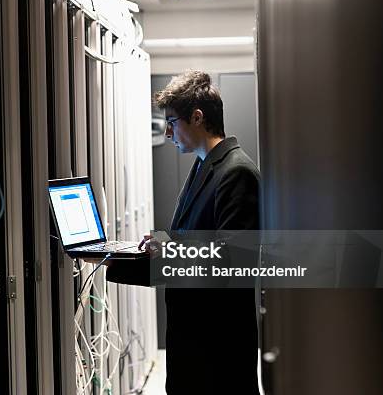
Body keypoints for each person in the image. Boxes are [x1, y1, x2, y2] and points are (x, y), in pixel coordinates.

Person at [96, 70, 261, 393]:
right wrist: (113, 261)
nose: (168, 133)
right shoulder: (204, 166)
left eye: (172, 122)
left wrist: (170, 249)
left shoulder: (236, 172)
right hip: (193, 345)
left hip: (218, 351)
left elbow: (233, 262)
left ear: (197, 117)